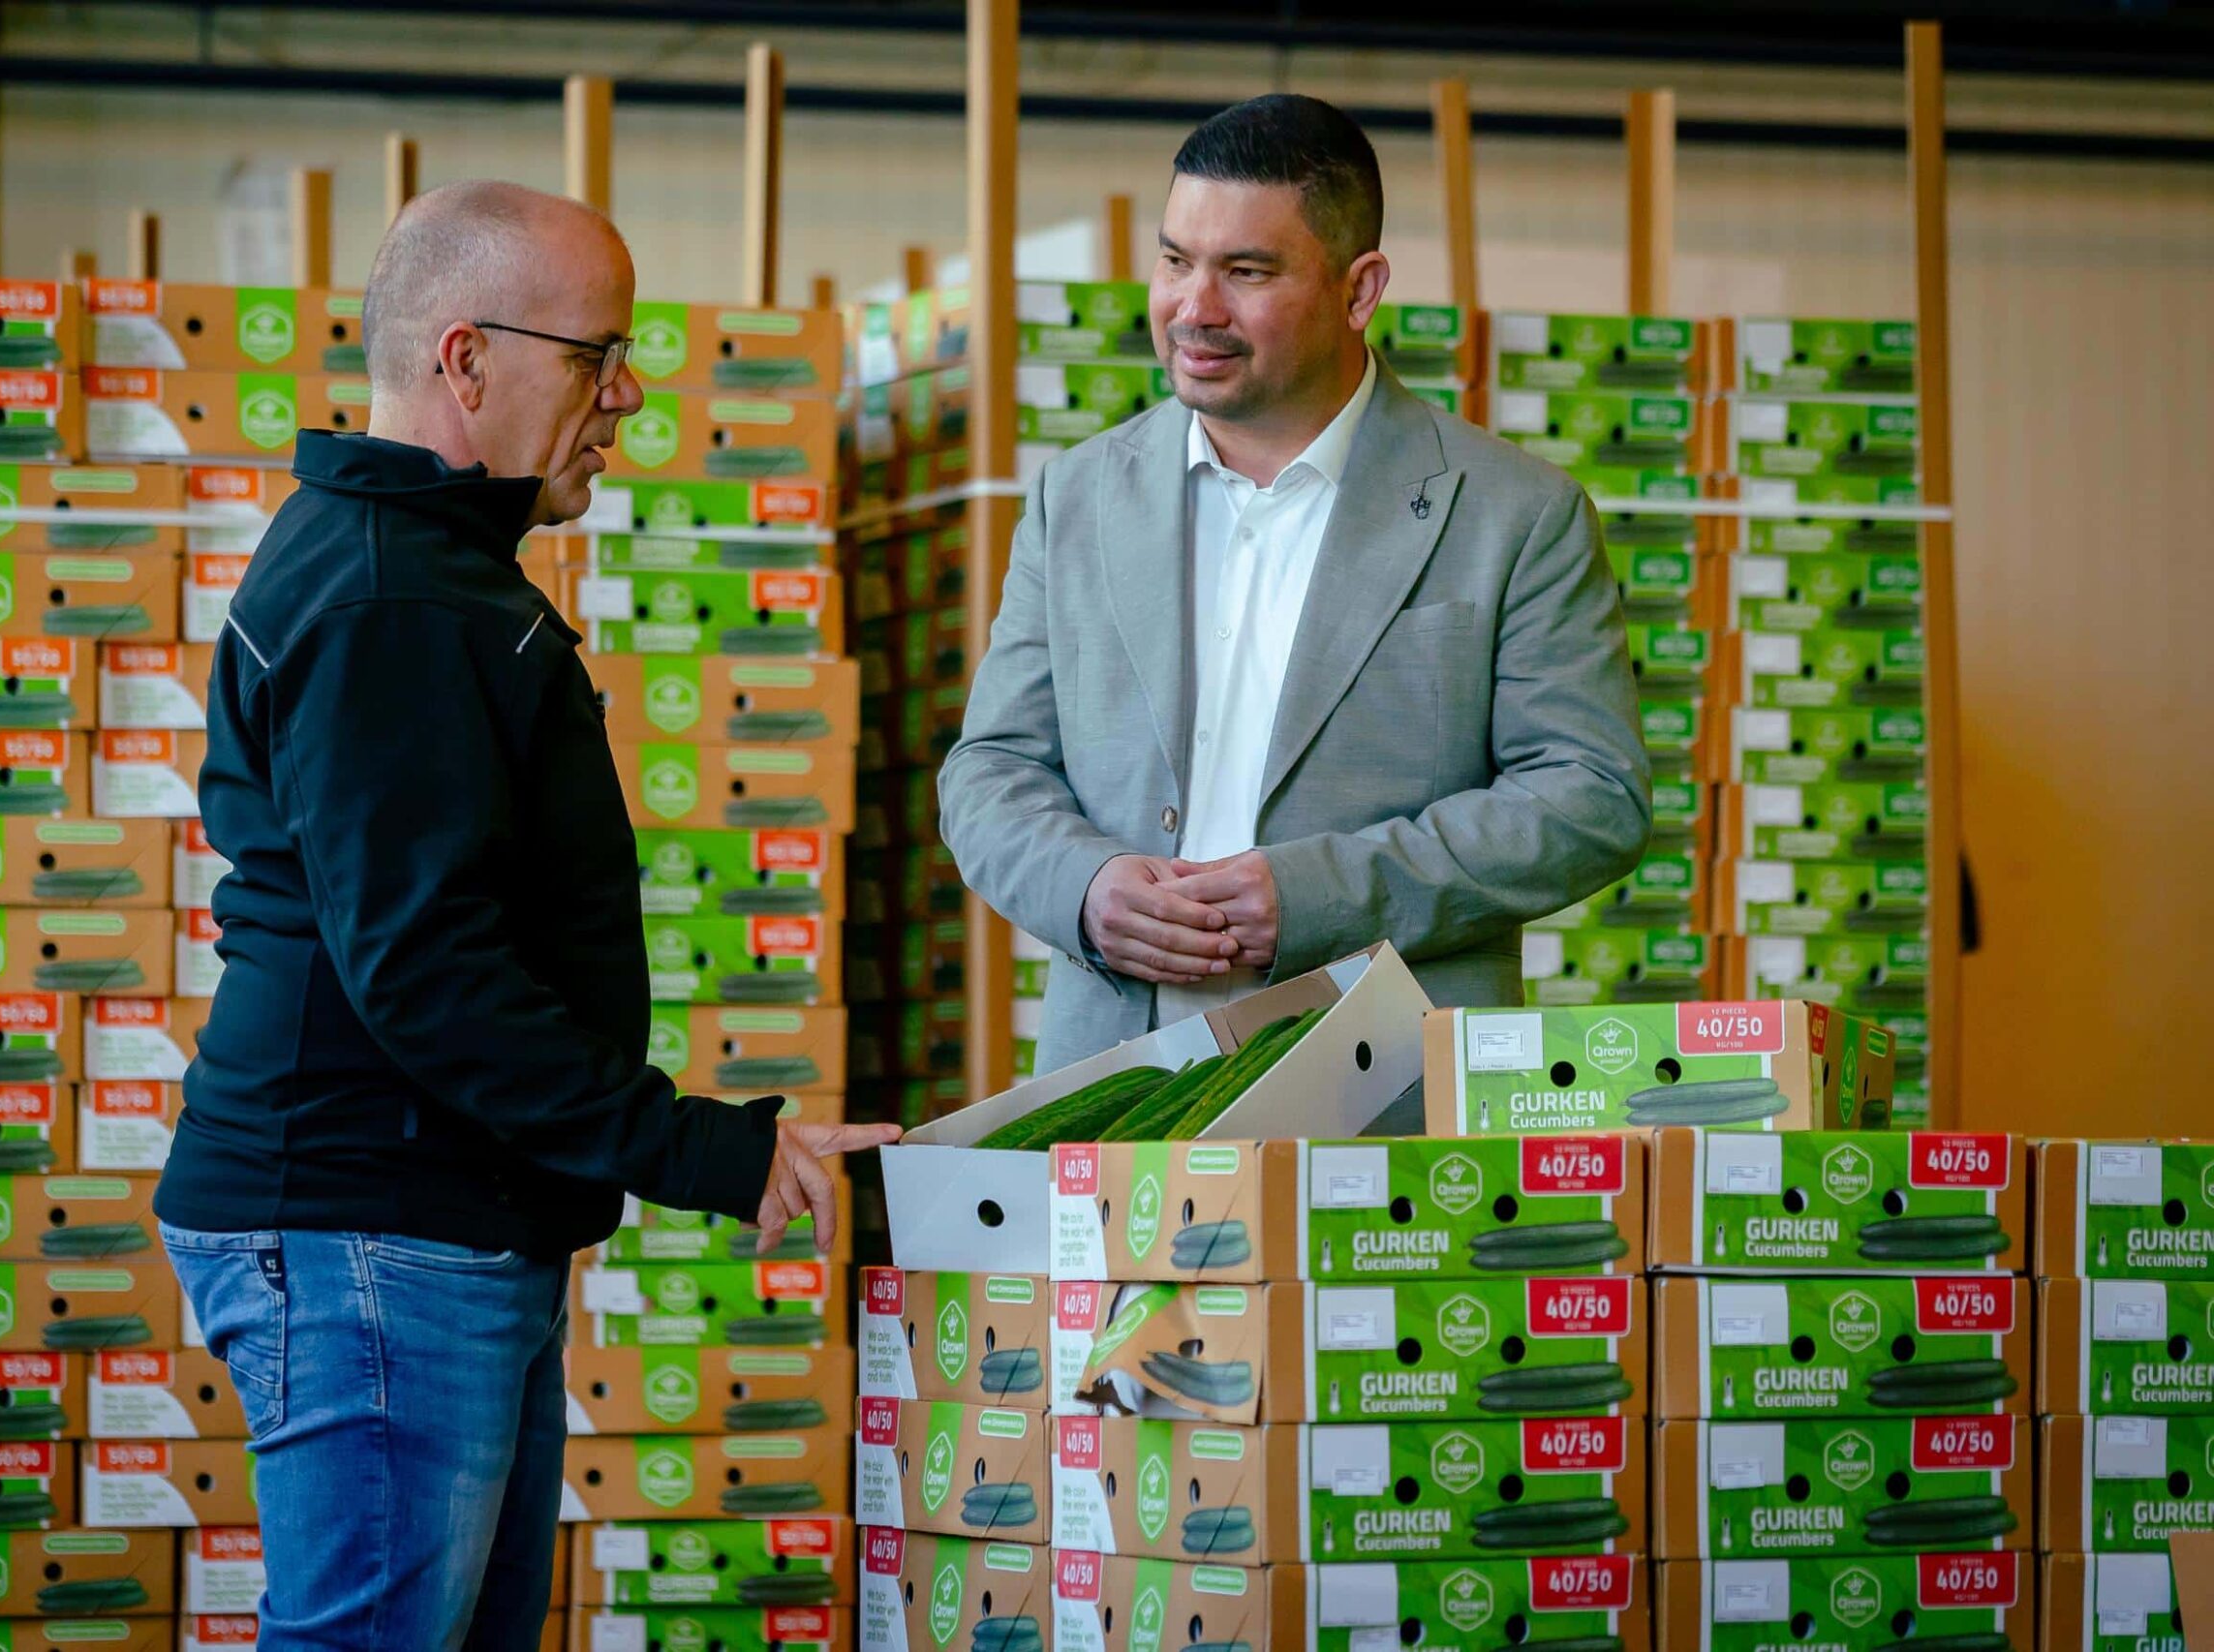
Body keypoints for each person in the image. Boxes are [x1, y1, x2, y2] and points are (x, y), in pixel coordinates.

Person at [153, 180, 897, 1651]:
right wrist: (702, 1144)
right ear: (466, 358)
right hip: (374, 1225)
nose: (626, 396)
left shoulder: (414, 568)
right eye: (596, 356)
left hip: (421, 1215)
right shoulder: (396, 603)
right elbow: (425, 973)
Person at [939, 94, 1650, 1089]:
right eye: (1175, 259)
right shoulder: (1079, 497)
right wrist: (1088, 885)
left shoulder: (1513, 513)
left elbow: (1590, 796)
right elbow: (990, 770)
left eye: (1246, 271)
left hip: (1390, 1089)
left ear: (1358, 291)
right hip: (1112, 1079)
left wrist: (1322, 893)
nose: (1193, 308)